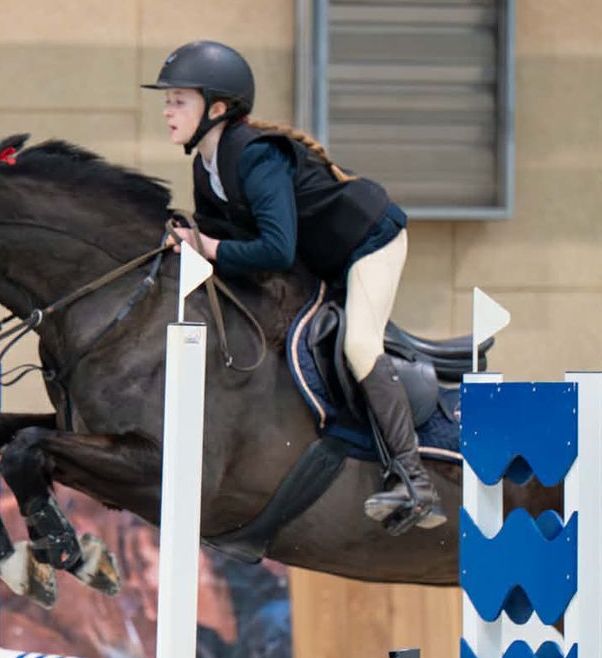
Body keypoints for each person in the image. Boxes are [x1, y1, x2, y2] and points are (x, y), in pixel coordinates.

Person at [143, 39, 445, 534]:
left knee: (359, 343)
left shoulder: (257, 158)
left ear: (217, 109)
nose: (167, 110)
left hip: (368, 241)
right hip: (321, 258)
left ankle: (414, 480)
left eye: (179, 100)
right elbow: (216, 236)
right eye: (167, 100)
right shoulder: (206, 165)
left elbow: (274, 251)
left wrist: (207, 247)